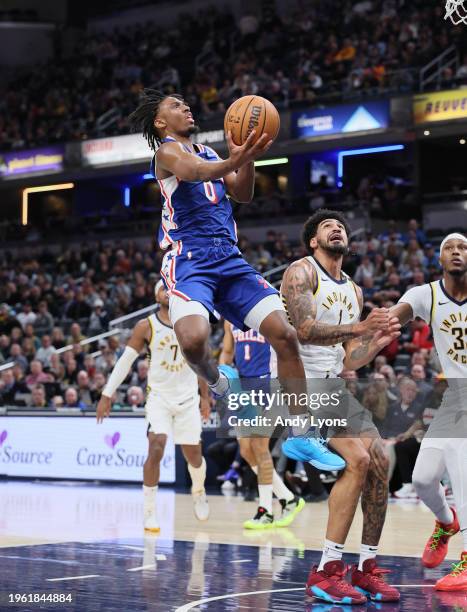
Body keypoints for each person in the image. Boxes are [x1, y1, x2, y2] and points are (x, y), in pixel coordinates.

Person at [128, 90, 341, 469]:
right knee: (193, 342)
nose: (186, 107)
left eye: (185, 102)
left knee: (284, 335)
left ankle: (302, 433)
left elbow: (242, 192)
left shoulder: (211, 153)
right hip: (190, 260)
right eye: (176, 105)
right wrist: (237, 157)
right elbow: (194, 173)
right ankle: (220, 382)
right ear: (161, 123)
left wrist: (249, 158)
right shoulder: (167, 152)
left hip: (229, 257)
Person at [281, 209, 401, 604]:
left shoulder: (354, 289)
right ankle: (326, 571)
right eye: (328, 226)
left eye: (342, 227)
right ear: (313, 240)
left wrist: (376, 343)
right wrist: (360, 328)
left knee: (381, 457)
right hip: (299, 384)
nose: (338, 229)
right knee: (358, 460)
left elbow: (350, 358)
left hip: (332, 385)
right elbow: (305, 330)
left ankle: (366, 567)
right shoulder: (302, 272)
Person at [97, 281, 211, 531]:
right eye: (163, 288)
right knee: (156, 447)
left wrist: (205, 397)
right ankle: (149, 511)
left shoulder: (192, 322)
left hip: (188, 399)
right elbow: (125, 362)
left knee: (194, 456)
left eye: (171, 288)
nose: (167, 292)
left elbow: (201, 362)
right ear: (155, 294)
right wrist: (107, 393)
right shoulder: (145, 326)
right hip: (159, 398)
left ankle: (199, 489)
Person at [390, 233, 467, 591]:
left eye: (463, 247)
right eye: (449, 247)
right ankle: (445, 521)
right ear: (439, 259)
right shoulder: (427, 294)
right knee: (422, 479)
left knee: (462, 470)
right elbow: (394, 318)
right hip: (455, 396)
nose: (457, 251)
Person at [219, 320, 304, 529]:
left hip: (268, 383)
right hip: (242, 386)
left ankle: (265, 510)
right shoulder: (230, 318)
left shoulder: (267, 312)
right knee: (247, 451)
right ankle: (288, 498)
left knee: (259, 446)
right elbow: (227, 351)